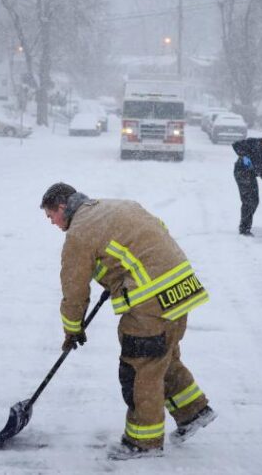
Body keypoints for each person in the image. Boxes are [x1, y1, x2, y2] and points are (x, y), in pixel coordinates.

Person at [40, 182, 216, 460]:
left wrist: (72, 329)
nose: (53, 223)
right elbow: (154, 234)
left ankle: (142, 442)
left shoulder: (79, 233)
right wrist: (120, 275)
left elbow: (73, 290)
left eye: (51, 216)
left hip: (150, 300)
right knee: (162, 355)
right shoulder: (119, 205)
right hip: (182, 289)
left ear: (62, 207)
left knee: (139, 369)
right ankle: (193, 411)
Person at [231, 129, 262, 236]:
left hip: (251, 175)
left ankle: (245, 224)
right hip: (241, 173)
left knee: (255, 201)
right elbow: (235, 145)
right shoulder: (252, 142)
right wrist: (243, 156)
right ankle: (244, 229)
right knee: (248, 201)